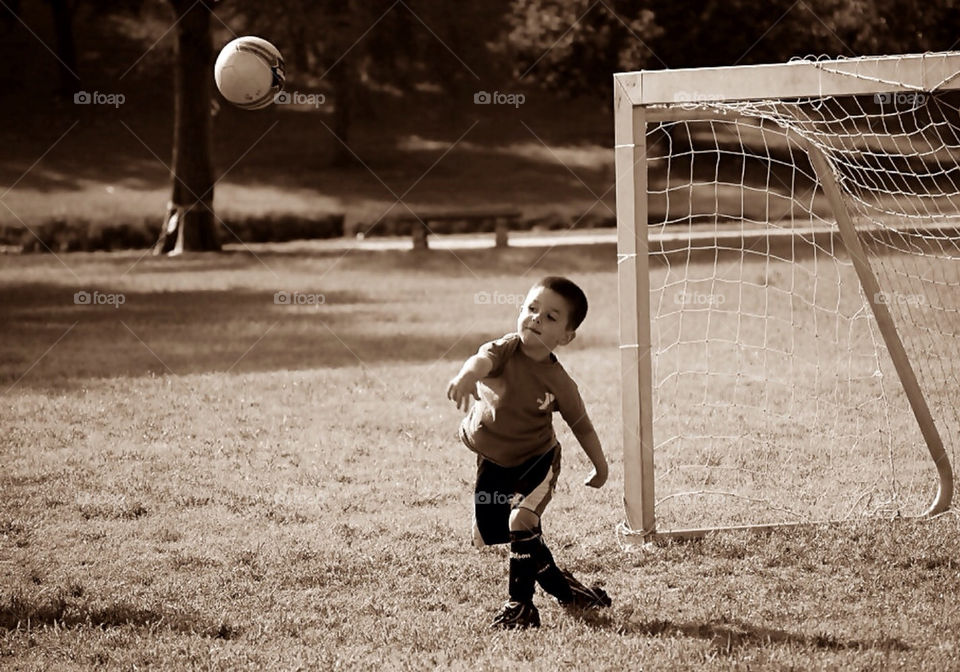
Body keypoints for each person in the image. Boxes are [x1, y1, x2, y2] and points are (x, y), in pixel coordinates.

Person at [446, 276, 611, 629]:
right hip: (493, 462)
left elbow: (581, 425)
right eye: (531, 309)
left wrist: (600, 466)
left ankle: (520, 607)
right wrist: (464, 376)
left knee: (521, 522)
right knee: (499, 534)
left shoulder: (560, 382)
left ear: (566, 337)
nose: (536, 318)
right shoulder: (504, 350)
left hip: (537, 461)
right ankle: (572, 592)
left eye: (551, 317)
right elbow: (479, 362)